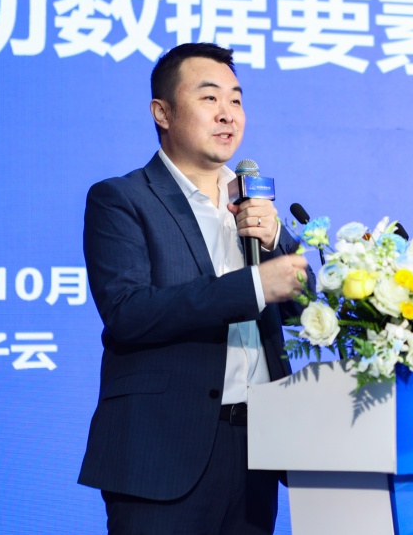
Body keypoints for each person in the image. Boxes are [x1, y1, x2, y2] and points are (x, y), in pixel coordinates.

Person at [78, 42, 310, 534]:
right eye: (209, 98)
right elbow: (128, 311)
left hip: (257, 449)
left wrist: (274, 243)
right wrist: (253, 285)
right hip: (162, 452)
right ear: (162, 113)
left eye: (236, 99)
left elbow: (302, 311)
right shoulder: (121, 199)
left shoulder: (254, 205)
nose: (228, 113)